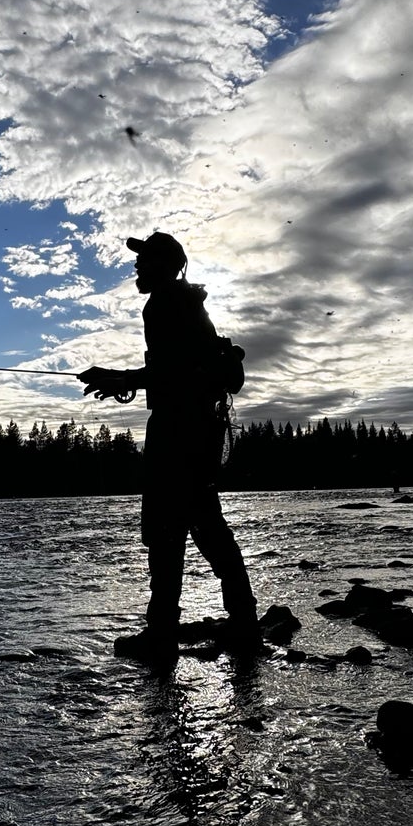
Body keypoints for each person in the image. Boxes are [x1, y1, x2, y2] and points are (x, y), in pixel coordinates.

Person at [79, 232, 262, 663]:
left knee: (169, 530)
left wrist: (123, 380)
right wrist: (121, 376)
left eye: (144, 261)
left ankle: (164, 634)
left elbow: (174, 372)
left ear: (167, 265)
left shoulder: (164, 303)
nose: (137, 267)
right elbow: (171, 367)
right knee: (202, 525)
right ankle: (240, 622)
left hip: (181, 433)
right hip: (195, 430)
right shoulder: (183, 302)